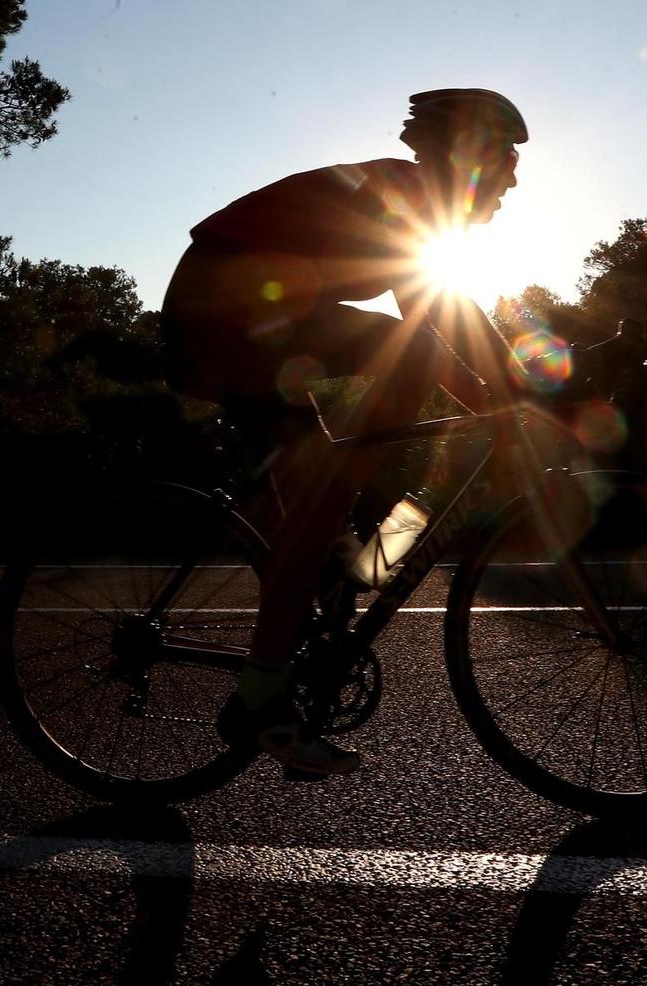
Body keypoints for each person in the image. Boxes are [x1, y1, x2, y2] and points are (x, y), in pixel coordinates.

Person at [160, 88, 529, 776]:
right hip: (225, 317)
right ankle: (265, 694)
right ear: (468, 159)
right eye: (506, 160)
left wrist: (500, 397)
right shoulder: (404, 196)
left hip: (255, 315)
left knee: (400, 384)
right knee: (348, 455)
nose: (513, 180)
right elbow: (440, 313)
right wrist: (513, 398)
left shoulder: (409, 197)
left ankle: (348, 542)